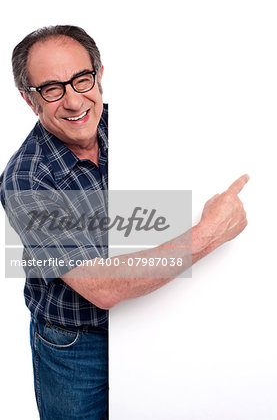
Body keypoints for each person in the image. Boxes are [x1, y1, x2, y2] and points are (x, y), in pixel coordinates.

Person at [0, 25, 248, 420]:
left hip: (151, 323)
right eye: (51, 88)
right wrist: (208, 233)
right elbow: (102, 287)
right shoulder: (27, 180)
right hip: (76, 346)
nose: (73, 100)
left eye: (81, 79)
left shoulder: (134, 128)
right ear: (30, 101)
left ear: (99, 75)